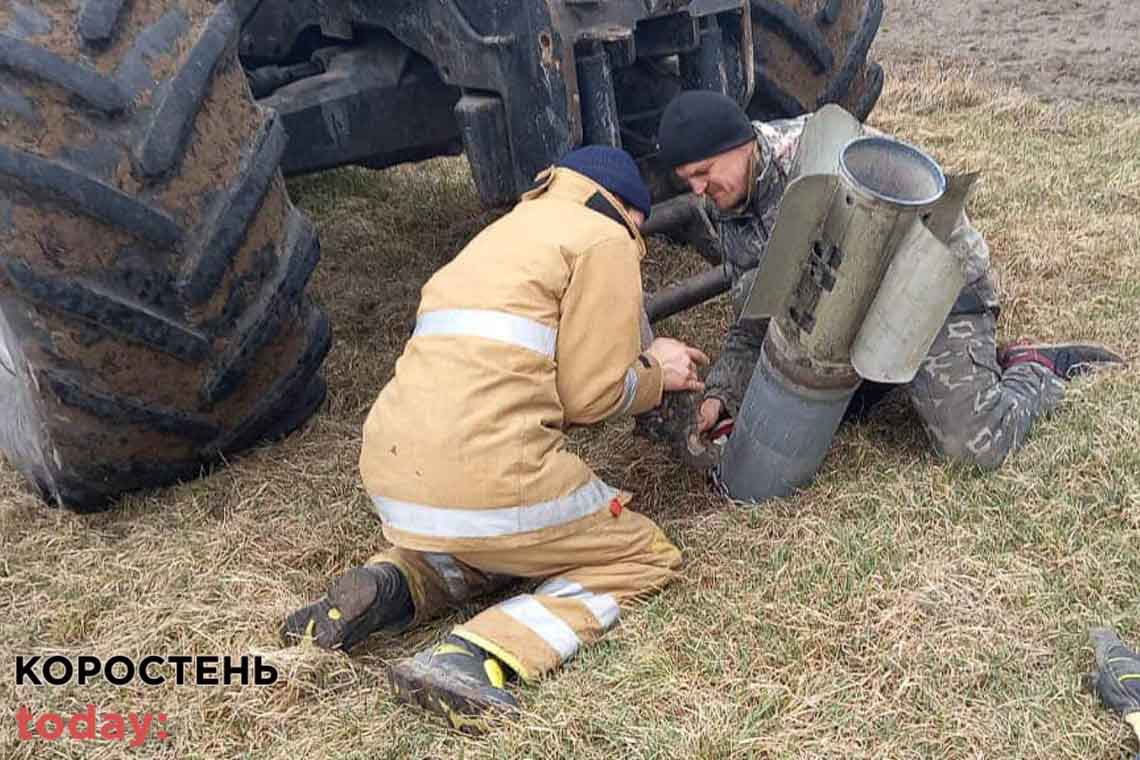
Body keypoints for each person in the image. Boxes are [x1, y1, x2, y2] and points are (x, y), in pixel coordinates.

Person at [281, 146, 708, 730]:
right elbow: (590, 395)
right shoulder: (604, 238)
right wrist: (658, 373)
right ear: (629, 212)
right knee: (640, 555)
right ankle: (476, 656)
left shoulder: (501, 236)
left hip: (395, 474)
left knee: (497, 545)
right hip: (486, 478)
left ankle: (393, 582)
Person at [652, 90, 1123, 472]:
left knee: (975, 447)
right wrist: (722, 394)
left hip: (928, 293)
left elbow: (929, 229)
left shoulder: (828, 157)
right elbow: (754, 318)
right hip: (846, 319)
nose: (698, 191)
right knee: (815, 418)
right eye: (686, 180)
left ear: (739, 144)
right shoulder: (732, 207)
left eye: (702, 172)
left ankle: (1032, 368)